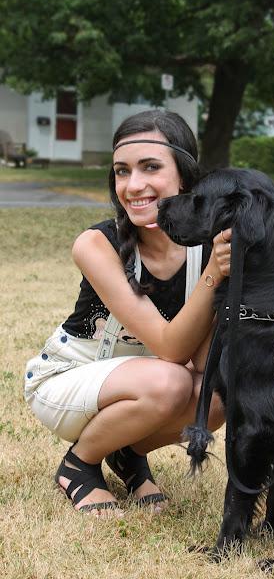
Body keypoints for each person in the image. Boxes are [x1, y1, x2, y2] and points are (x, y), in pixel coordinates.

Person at [24, 109, 231, 517]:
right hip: (64, 381)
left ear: (185, 177)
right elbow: (172, 351)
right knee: (171, 380)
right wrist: (214, 274)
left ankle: (127, 453)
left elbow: (205, 362)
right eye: (122, 171)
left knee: (220, 393)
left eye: (150, 167)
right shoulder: (95, 244)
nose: (133, 185)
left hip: (143, 384)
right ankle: (79, 465)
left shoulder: (204, 248)